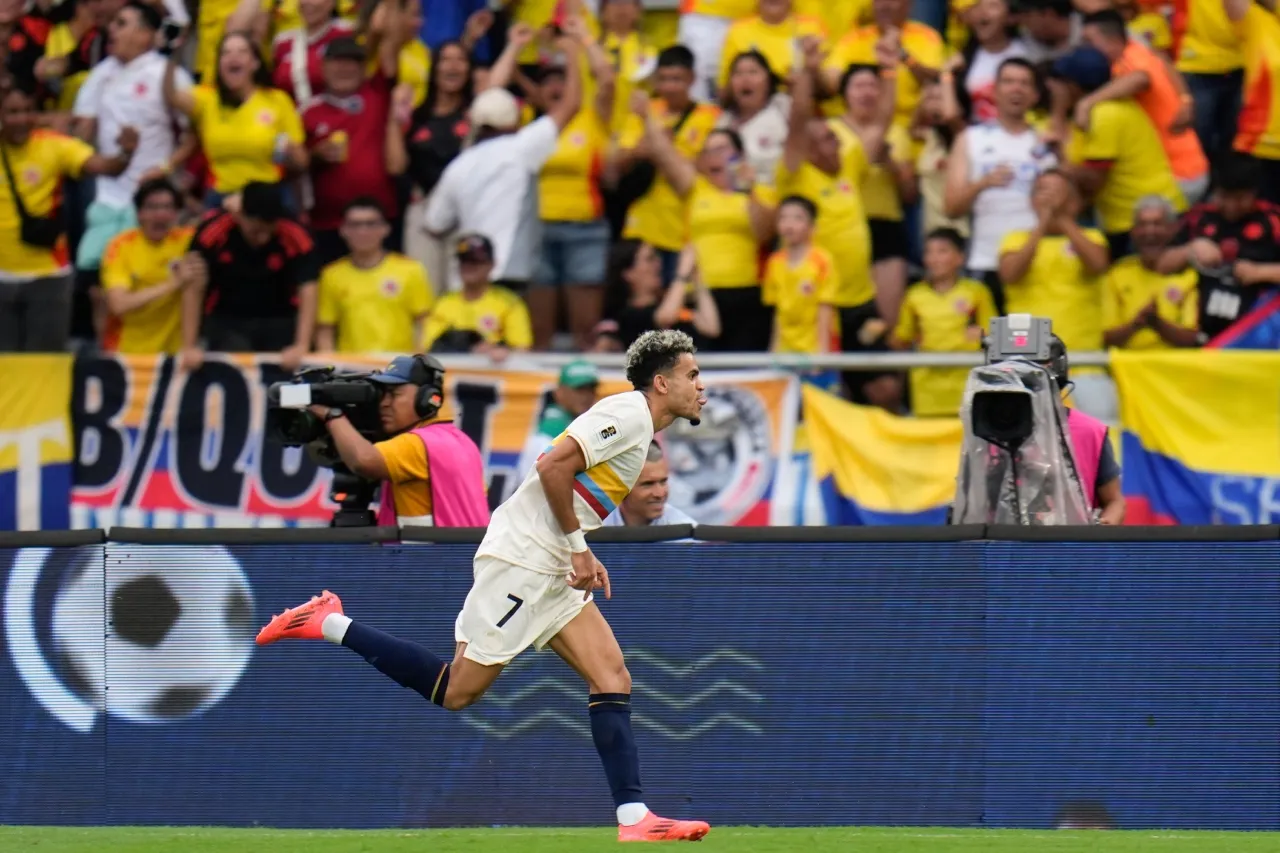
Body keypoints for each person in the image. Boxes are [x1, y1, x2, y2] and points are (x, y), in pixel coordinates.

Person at [256, 329, 712, 842]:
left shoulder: (637, 421)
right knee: (457, 691)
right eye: (692, 375)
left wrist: (580, 545)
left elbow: (567, 487)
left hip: (553, 564)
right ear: (661, 381)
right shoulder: (629, 413)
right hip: (526, 561)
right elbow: (552, 467)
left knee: (613, 676)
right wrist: (578, 547)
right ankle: (329, 621)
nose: (700, 386)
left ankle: (635, 820)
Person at [423, 28, 582, 289]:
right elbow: (571, 105)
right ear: (514, 120)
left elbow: (433, 225)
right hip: (510, 272)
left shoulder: (458, 165)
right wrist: (574, 57)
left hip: (465, 280)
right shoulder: (522, 147)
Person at [0, 82, 138, 353]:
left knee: (46, 367)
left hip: (48, 277)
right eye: (12, 112)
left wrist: (126, 153)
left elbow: (107, 168)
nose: (22, 119)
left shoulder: (54, 145)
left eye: (29, 111)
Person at [305, 353, 489, 528]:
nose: (384, 403)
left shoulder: (418, 443)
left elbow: (364, 460)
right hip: (463, 557)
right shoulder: (463, 441)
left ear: (426, 398)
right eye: (383, 394)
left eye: (395, 394)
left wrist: (332, 416)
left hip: (428, 559)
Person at [1049, 45, 1185, 259]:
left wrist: (1057, 169)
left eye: (1061, 83)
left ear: (1073, 86)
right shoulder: (1096, 110)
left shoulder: (1104, 115)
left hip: (1143, 221)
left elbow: (1093, 180)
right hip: (1131, 216)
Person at [944, 57, 1056, 312]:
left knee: (1028, 347)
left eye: (1024, 83)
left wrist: (1061, 158)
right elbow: (951, 208)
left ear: (1035, 95)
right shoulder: (970, 139)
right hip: (986, 260)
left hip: (1033, 260)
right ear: (994, 91)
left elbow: (1070, 202)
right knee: (992, 348)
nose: (1016, 89)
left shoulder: (1046, 140)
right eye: (1008, 82)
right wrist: (982, 184)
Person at [180, 181, 318, 371]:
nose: (263, 238)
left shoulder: (296, 233)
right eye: (256, 231)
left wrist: (301, 345)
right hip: (227, 319)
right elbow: (193, 285)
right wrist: (189, 345)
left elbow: (308, 289)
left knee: (287, 388)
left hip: (281, 319)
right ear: (239, 215)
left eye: (269, 231)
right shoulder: (212, 231)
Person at [1156, 152, 1280, 344]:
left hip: (1257, 335)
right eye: (1223, 196)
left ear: (1255, 193)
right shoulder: (1198, 218)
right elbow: (1161, 265)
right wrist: (1191, 249)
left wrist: (1260, 272)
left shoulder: (1274, 221)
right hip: (1197, 333)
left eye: (1239, 198)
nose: (1231, 206)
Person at [890, 228, 996, 417]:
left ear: (959, 258)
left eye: (942, 251)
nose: (934, 258)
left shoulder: (977, 292)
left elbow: (994, 336)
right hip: (927, 391)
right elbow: (902, 339)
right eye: (929, 252)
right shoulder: (914, 296)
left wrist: (980, 337)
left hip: (968, 387)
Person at [315, 197, 433, 354]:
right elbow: (325, 330)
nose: (363, 231)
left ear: (385, 229)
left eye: (371, 224)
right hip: (352, 372)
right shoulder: (331, 275)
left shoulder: (410, 270)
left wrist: (418, 366)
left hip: (398, 370)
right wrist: (329, 370)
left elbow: (426, 324)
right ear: (343, 230)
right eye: (355, 225)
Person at [100, 178, 195, 354]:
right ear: (139, 214)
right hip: (127, 352)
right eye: (152, 207)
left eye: (168, 207)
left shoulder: (188, 240)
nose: (160, 215)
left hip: (175, 354)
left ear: (176, 214)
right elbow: (118, 304)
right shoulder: (121, 246)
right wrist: (172, 284)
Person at [1041, 335, 1125, 525]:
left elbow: (1114, 501)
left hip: (1073, 549)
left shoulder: (1090, 431)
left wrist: (1104, 528)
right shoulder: (987, 431)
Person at [1101, 195, 1200, 350]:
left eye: (1157, 224)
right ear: (1133, 231)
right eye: (1142, 224)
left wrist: (1157, 323)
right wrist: (1136, 324)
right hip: (1125, 370)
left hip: (1172, 370)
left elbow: (1191, 338)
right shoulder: (1117, 274)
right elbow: (1105, 337)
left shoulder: (1188, 275)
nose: (1149, 231)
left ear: (1172, 229)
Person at [421, 233, 533, 357]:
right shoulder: (444, 303)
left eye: (475, 261)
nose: (468, 266)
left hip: (494, 373)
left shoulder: (509, 303)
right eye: (464, 260)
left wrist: (499, 351)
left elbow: (522, 348)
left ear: (492, 264)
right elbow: (429, 346)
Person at [762, 194, 839, 355]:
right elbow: (778, 313)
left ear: (812, 226)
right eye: (783, 218)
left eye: (798, 218)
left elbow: (825, 309)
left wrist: (822, 354)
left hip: (815, 348)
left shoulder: (822, 260)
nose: (789, 225)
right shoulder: (774, 262)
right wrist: (774, 351)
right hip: (786, 349)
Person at [601, 441, 697, 528]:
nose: (660, 493)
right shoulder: (591, 528)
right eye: (648, 484)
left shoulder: (686, 539)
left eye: (663, 482)